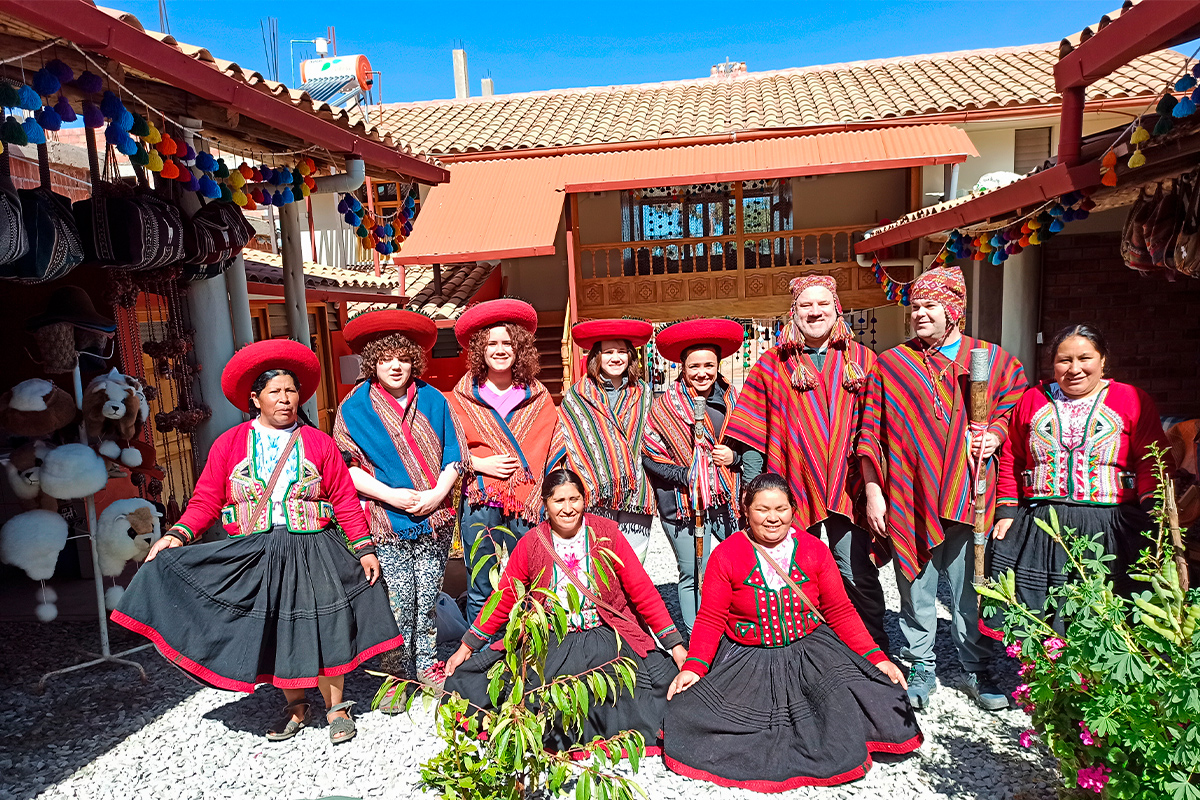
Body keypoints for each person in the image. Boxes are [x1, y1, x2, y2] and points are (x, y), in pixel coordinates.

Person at [111, 340, 399, 744]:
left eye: (291, 391)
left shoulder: (319, 443)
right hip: (257, 551)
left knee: (326, 625)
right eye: (275, 392)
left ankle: (337, 708)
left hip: (313, 546)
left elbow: (344, 500)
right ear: (255, 398)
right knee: (277, 627)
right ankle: (296, 706)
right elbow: (207, 499)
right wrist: (178, 535)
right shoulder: (229, 444)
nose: (285, 400)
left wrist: (364, 548)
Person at [662, 472, 920, 791]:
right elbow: (711, 618)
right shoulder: (726, 555)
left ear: (793, 510)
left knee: (884, 695)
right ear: (745, 509)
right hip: (749, 657)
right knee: (687, 713)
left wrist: (878, 659)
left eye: (781, 509)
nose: (772, 518)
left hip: (809, 650)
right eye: (762, 509)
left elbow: (840, 612)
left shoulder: (814, 550)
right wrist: (694, 666)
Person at [857, 265, 1026, 712]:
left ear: (954, 310)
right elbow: (869, 433)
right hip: (910, 496)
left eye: (929, 305)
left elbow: (1016, 413)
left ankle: (977, 666)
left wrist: (997, 433)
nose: (919, 314)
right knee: (915, 585)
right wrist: (874, 492)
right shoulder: (891, 365)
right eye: (915, 306)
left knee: (973, 586)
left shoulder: (990, 359)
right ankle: (920, 664)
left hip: (972, 494)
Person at [443, 468, 686, 755]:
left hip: (604, 635)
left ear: (585, 500)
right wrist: (467, 646)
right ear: (545, 503)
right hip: (551, 640)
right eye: (559, 501)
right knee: (490, 684)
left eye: (575, 499)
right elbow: (504, 597)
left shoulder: (606, 533)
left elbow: (641, 590)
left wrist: (675, 645)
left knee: (663, 684)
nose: (568, 509)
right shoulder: (531, 544)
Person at [726, 274, 886, 650]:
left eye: (823, 304)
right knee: (797, 572)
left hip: (851, 487)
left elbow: (882, 425)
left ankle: (873, 647)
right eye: (805, 305)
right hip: (792, 485)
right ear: (793, 311)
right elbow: (752, 436)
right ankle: (811, 646)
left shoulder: (863, 361)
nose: (815, 312)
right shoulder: (771, 364)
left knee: (854, 570)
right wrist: (753, 494)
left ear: (837, 309)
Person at [984, 324, 1168, 636]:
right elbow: (1012, 457)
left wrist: (1156, 512)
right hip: (1043, 525)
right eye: (1064, 360)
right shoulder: (1032, 400)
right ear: (1052, 363)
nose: (1075, 369)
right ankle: (1043, 674)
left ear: (1103, 360)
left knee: (1108, 609)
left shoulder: (1131, 399)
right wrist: (1005, 510)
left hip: (1110, 525)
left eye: (1085, 358)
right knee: (1041, 608)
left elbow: (1153, 459)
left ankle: (1101, 680)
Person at [333, 309, 467, 687]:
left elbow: (454, 456)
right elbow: (345, 467)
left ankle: (425, 665)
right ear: (372, 361)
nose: (395, 366)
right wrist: (391, 495)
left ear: (415, 361)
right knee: (396, 603)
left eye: (403, 358)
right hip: (386, 521)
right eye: (386, 358)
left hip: (434, 519)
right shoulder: (352, 407)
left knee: (427, 600)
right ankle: (394, 675)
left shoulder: (434, 400)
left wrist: (437, 494)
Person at [446, 298, 560, 622]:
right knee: (482, 583)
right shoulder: (460, 397)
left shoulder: (538, 397)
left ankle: (531, 652)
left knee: (531, 579)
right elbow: (446, 448)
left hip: (527, 499)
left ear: (519, 348)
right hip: (479, 500)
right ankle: (480, 659)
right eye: (492, 343)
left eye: (507, 342)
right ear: (480, 349)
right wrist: (480, 464)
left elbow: (553, 444)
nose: (499, 349)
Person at [642, 318, 745, 632]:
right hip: (682, 504)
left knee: (739, 563)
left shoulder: (731, 400)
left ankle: (733, 625)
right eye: (694, 366)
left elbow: (748, 441)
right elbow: (651, 456)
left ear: (718, 365)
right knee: (693, 572)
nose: (702, 372)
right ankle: (696, 634)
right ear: (682, 367)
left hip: (724, 499)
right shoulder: (663, 408)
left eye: (709, 365)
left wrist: (734, 456)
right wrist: (688, 474)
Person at [552, 318, 657, 562]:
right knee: (600, 561)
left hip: (637, 493)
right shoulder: (577, 396)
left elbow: (653, 436)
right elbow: (570, 440)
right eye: (608, 352)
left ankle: (629, 602)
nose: (616, 357)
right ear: (596, 357)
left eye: (621, 351)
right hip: (596, 492)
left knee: (633, 564)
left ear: (631, 356)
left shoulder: (644, 394)